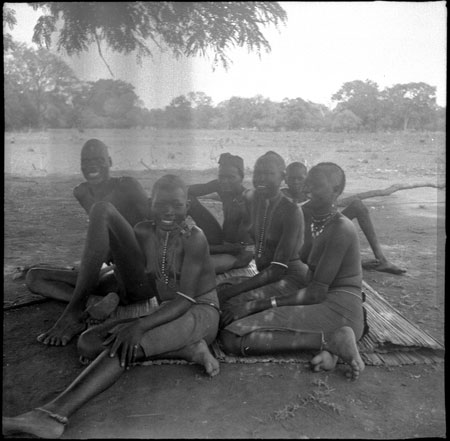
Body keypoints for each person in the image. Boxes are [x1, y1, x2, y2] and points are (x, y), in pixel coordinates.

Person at [3, 174, 220, 439]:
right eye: (162, 204)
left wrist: (139, 325)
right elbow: (115, 257)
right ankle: (188, 349)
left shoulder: (194, 238)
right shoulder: (143, 231)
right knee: (88, 342)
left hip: (199, 311)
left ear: (188, 206)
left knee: (125, 342)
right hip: (167, 313)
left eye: (176, 205)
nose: (168, 211)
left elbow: (185, 299)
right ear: (150, 203)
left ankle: (52, 415)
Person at [219, 162, 366, 380]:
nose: (307, 190)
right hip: (313, 293)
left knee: (232, 338)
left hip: (339, 307)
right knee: (230, 310)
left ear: (336, 191)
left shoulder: (341, 229)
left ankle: (332, 340)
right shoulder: (307, 214)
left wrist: (256, 305)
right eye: (308, 184)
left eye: (316, 186)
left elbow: (316, 292)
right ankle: (330, 350)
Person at [26, 138, 151, 321]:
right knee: (34, 277)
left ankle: (75, 309)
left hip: (137, 270)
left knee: (103, 210)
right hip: (111, 271)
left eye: (99, 160)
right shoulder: (82, 192)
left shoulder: (127, 186)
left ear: (110, 162)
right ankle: (93, 304)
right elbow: (99, 233)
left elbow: (152, 225)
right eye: (86, 161)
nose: (92, 166)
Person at [217, 151, 308, 314]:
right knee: (219, 289)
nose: (261, 178)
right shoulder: (253, 200)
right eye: (258, 173)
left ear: (282, 177)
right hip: (267, 275)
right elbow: (247, 239)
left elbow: (277, 269)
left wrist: (234, 291)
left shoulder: (291, 212)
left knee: (232, 303)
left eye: (269, 173)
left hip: (291, 279)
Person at [281, 161, 406, 275]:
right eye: (292, 179)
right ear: (285, 179)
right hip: (301, 238)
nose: (296, 182)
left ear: (307, 179)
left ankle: (381, 259)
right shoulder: (283, 195)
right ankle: (348, 262)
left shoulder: (315, 191)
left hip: (321, 228)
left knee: (357, 205)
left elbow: (329, 206)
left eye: (300, 179)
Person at [187, 152, 254, 273]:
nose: (225, 181)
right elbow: (185, 190)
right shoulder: (220, 186)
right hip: (222, 240)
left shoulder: (247, 201)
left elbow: (245, 247)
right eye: (221, 176)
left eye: (231, 177)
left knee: (195, 268)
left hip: (236, 251)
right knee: (187, 199)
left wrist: (211, 249)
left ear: (241, 178)